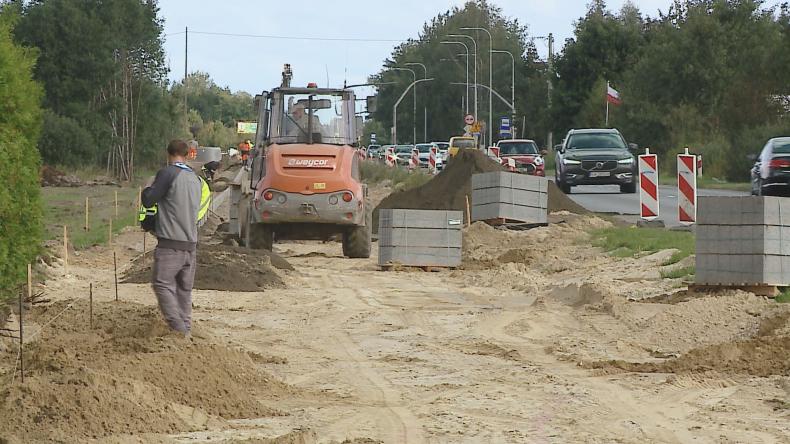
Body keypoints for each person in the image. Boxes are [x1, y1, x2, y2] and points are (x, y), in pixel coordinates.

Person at [141, 139, 203, 335]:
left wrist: (146, 188)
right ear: (186, 154)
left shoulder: (168, 173)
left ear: (168, 154)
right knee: (184, 291)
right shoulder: (195, 178)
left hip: (170, 245)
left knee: (162, 283)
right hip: (190, 245)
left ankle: (178, 329)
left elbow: (150, 200)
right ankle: (186, 331)